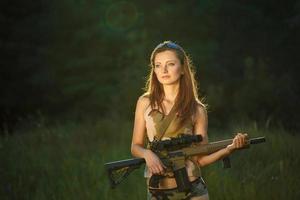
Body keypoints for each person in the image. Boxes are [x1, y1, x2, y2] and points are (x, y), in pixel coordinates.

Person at [131, 41, 248, 200]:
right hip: (157, 192)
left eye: (170, 64)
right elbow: (135, 146)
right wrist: (147, 154)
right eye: (158, 65)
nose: (163, 70)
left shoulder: (197, 109)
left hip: (193, 190)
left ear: (183, 68)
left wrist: (229, 149)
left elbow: (201, 158)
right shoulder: (145, 102)